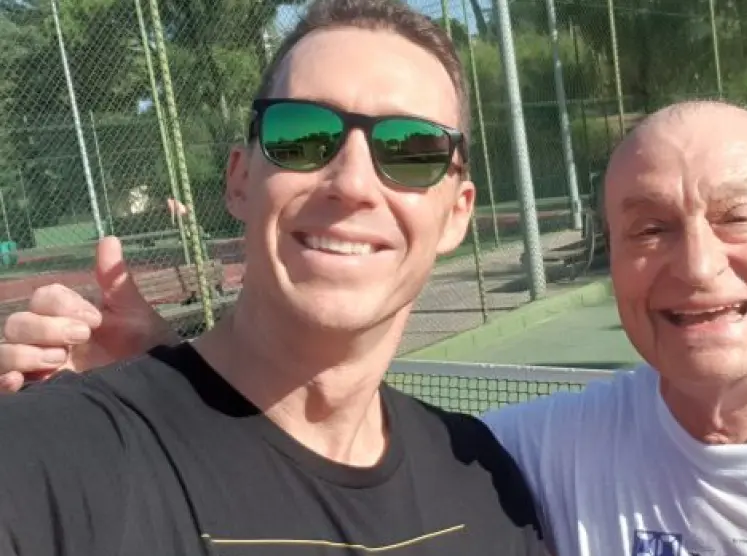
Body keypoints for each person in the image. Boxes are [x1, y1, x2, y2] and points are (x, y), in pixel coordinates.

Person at [3, 100, 747, 555]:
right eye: (648, 229)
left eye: (737, 218)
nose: (695, 265)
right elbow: (328, 438)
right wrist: (171, 375)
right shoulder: (527, 456)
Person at [0, 0, 551, 554]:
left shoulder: (486, 483)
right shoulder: (53, 460)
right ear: (240, 180)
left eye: (411, 149)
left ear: (456, 213)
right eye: (303, 134)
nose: (352, 183)